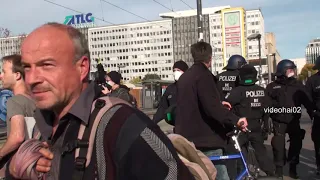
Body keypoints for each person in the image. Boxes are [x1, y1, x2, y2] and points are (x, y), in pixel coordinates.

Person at [7, 22, 194, 180]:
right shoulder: (40, 127)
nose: (32, 79)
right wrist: (14, 170)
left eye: (46, 65)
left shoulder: (121, 125)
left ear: (82, 67)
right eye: (27, 68)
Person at [175, 41, 248, 180]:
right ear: (210, 58)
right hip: (206, 139)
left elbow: (194, 103)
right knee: (219, 175)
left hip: (187, 138)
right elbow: (212, 109)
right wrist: (236, 120)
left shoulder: (184, 78)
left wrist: (219, 103)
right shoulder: (205, 76)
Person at [266, 59, 314, 179]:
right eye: (290, 70)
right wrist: (266, 119)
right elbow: (266, 105)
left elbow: (308, 102)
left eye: (293, 70)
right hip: (278, 121)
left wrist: (313, 116)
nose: (293, 72)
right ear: (283, 71)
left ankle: (293, 168)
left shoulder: (298, 86)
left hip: (294, 120)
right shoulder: (272, 86)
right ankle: (279, 170)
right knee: (278, 145)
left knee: (296, 144)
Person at [225, 64, 275, 176]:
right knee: (261, 152)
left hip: (241, 127)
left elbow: (226, 106)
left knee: (234, 152)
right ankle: (271, 173)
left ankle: (237, 175)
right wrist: (266, 125)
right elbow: (268, 109)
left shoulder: (237, 91)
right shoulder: (262, 90)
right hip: (257, 126)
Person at [0, 55, 36, 172]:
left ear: (17, 75)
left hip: (20, 168)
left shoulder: (14, 101)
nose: (1, 76)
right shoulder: (34, 101)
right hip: (34, 164)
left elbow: (17, 137)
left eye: (4, 72)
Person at [305, 56, 320, 175]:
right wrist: (313, 115)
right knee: (318, 145)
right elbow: (308, 101)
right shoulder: (312, 81)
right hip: (319, 118)